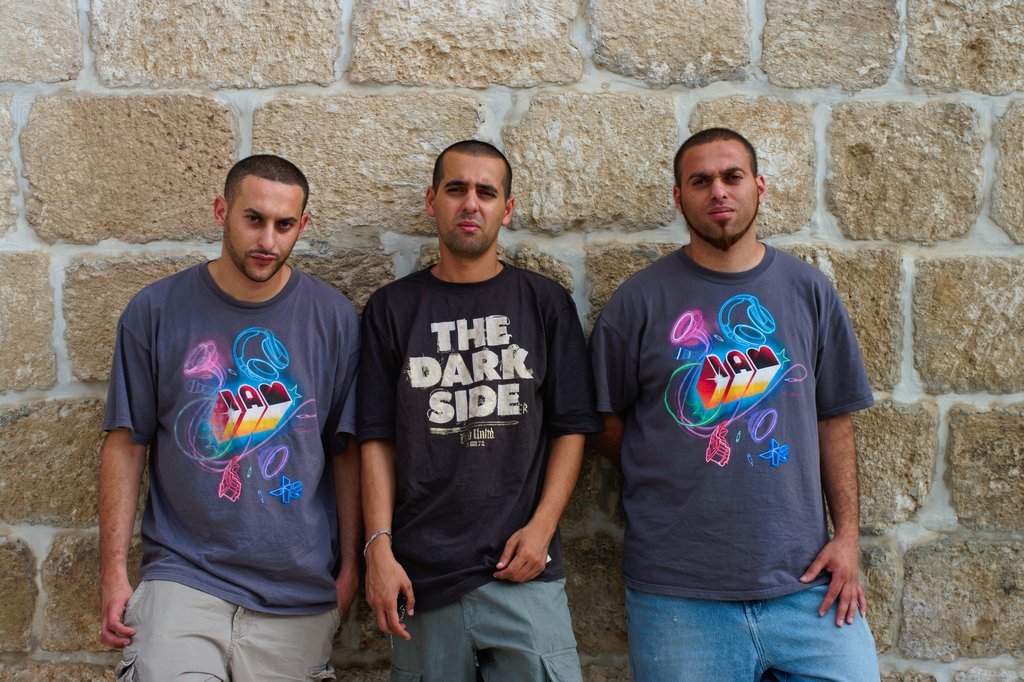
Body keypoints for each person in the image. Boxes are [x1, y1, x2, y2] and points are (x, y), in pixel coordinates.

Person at [589, 128, 880, 681]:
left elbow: (833, 420)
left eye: (732, 177)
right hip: (677, 595)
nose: (718, 191)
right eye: (700, 181)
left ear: (759, 187)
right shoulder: (638, 301)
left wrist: (847, 539)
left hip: (807, 585)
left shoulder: (808, 291)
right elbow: (602, 419)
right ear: (679, 197)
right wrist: (662, 462)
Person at [98, 154, 361, 680]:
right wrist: (114, 574)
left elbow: (347, 450)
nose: (267, 240)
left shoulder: (334, 318)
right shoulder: (156, 310)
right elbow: (126, 444)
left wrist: (352, 567)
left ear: (303, 225)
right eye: (253, 219)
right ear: (222, 211)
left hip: (297, 592)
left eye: (284, 225)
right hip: (185, 576)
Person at [358, 140, 602, 681]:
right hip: (421, 576)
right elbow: (376, 438)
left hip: (524, 570)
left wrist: (542, 527)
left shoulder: (544, 303)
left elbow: (571, 427)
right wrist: (379, 549)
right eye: (456, 189)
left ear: (506, 209)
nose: (471, 203)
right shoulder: (391, 309)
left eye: (486, 192)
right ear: (432, 202)